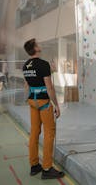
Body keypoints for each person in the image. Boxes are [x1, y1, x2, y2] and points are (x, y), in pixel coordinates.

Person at [23, 38, 64, 180]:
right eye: (37, 44)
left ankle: (34, 165)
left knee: (34, 132)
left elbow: (27, 86)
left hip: (32, 101)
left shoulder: (25, 65)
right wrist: (57, 105)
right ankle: (47, 168)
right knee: (49, 133)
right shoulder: (43, 64)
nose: (39, 45)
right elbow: (49, 87)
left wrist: (29, 99)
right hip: (43, 102)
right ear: (35, 48)